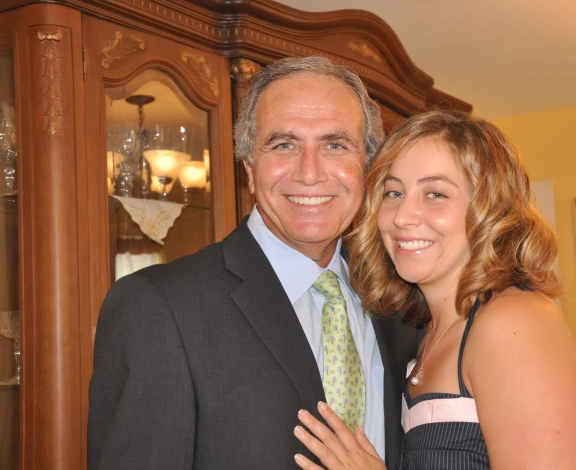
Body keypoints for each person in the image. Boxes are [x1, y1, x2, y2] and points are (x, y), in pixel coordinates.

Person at [87, 56, 418, 470]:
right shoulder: (159, 307)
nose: (310, 173)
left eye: (335, 145)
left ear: (366, 167)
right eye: (284, 145)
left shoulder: (401, 300)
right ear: (249, 168)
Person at [292, 110, 576, 470]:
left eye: (435, 194)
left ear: (489, 208)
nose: (403, 215)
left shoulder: (513, 323)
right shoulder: (426, 335)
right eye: (393, 192)